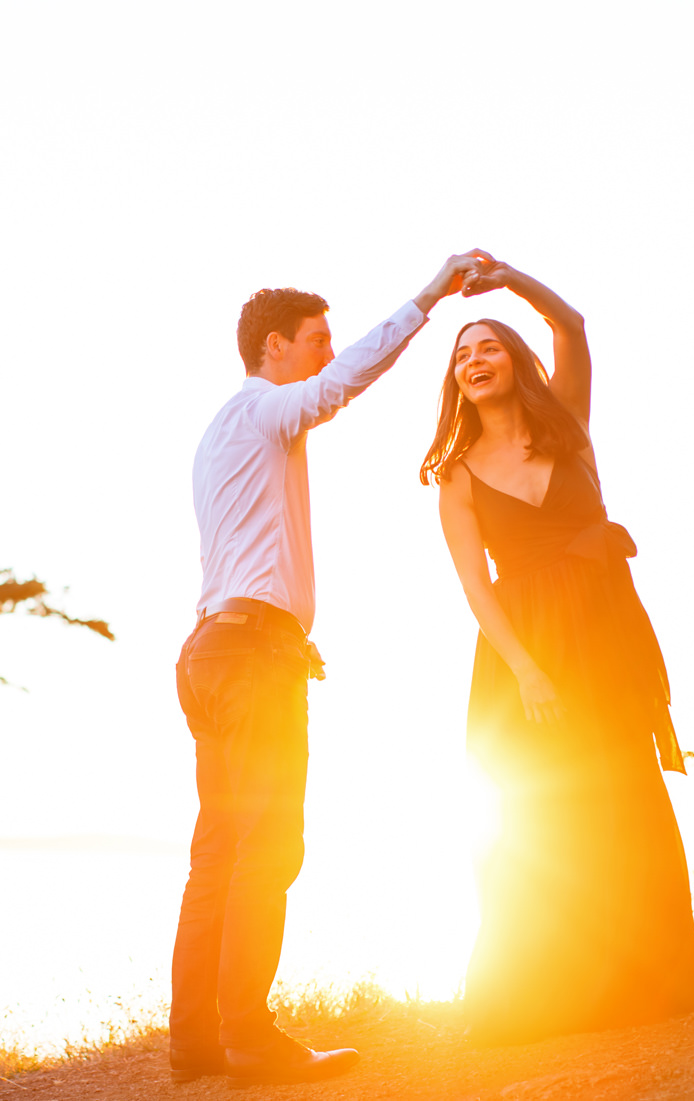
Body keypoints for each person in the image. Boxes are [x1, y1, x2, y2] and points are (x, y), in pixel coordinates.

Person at [171, 251, 491, 1086]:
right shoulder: (265, 410)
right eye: (317, 338)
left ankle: (198, 1043)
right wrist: (429, 296)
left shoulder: (217, 432)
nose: (328, 350)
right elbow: (340, 386)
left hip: (211, 652)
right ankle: (248, 1040)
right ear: (275, 347)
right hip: (247, 657)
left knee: (217, 854)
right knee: (268, 846)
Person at [421, 254, 694, 1044]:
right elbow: (474, 587)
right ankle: (542, 991)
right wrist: (526, 670)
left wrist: (506, 277)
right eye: (461, 353)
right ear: (454, 381)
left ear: (515, 361)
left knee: (622, 794)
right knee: (539, 813)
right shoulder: (455, 475)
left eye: (488, 346)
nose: (474, 359)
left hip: (603, 627)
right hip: (522, 653)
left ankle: (642, 979)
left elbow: (572, 327)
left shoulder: (569, 423)